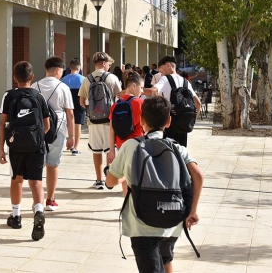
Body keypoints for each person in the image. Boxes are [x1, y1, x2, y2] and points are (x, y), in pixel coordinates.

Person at [106, 96, 204, 273]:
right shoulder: (178, 148)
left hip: (141, 224)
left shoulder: (130, 146)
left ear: (141, 120)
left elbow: (110, 181)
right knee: (166, 259)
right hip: (172, 219)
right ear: (168, 121)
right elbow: (198, 175)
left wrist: (125, 177)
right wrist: (192, 210)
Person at [0, 61, 50, 240]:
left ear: (15, 78)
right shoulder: (38, 96)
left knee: (17, 180)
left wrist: (1, 149)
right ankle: (39, 211)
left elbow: (3, 124)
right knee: (36, 181)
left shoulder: (9, 96)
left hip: (16, 145)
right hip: (36, 145)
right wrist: (36, 138)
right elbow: (47, 125)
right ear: (32, 77)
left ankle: (16, 216)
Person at [33, 57, 75, 211]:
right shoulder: (63, 87)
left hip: (37, 131)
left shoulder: (34, 86)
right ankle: (50, 200)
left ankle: (37, 202)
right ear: (58, 70)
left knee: (37, 167)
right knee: (52, 165)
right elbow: (70, 114)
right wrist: (72, 137)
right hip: (58, 130)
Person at [78, 52, 122, 189]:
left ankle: (99, 180)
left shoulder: (87, 79)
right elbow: (120, 98)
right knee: (110, 150)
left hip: (93, 121)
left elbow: (81, 102)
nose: (109, 66)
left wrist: (92, 110)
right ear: (104, 63)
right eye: (108, 63)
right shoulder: (112, 78)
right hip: (109, 122)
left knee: (96, 151)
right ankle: (110, 178)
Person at [107, 70, 145, 195]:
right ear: (133, 86)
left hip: (120, 145)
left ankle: (125, 198)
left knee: (126, 169)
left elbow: (112, 129)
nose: (142, 91)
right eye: (141, 87)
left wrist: (111, 150)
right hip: (137, 144)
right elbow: (145, 125)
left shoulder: (116, 104)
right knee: (136, 174)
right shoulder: (140, 103)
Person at [152, 56, 201, 147]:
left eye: (161, 69)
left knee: (168, 151)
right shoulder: (185, 81)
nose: (160, 72)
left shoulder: (165, 79)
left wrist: (139, 90)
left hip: (170, 122)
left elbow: (153, 91)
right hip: (184, 121)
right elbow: (198, 103)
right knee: (182, 152)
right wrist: (193, 120)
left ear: (168, 65)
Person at [61, 58, 86, 155]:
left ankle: (69, 143)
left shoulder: (64, 79)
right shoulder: (83, 79)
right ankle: (75, 147)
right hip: (79, 103)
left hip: (68, 103)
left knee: (68, 124)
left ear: (70, 67)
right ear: (79, 68)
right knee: (78, 125)